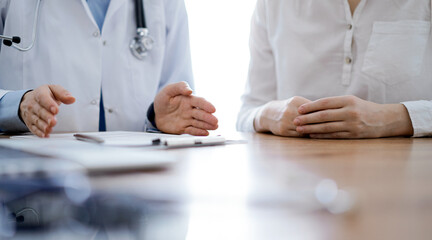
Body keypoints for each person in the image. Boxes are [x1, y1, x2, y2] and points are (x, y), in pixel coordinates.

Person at [0, 0, 218, 138]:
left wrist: (156, 119)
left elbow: (179, 96)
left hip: (134, 181)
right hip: (31, 176)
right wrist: (17, 105)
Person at [237, 0, 432, 138]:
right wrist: (267, 114)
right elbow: (246, 114)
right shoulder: (272, 4)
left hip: (406, 178)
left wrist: (393, 118)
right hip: (298, 178)